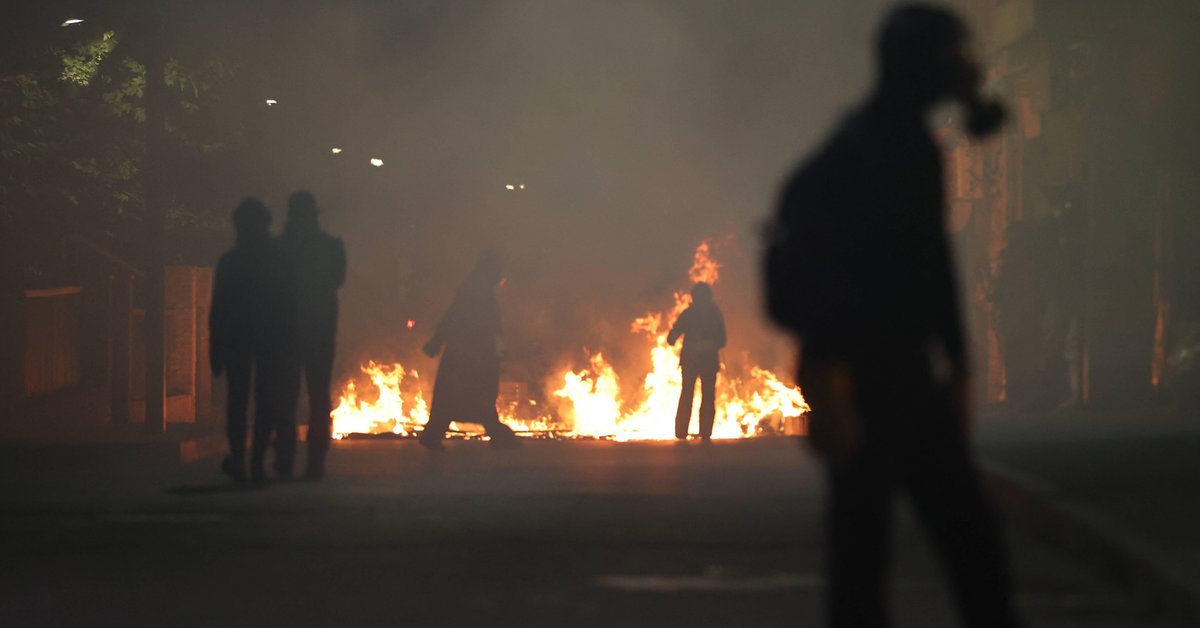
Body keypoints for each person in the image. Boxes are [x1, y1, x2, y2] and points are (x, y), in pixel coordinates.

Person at [765, 5, 1021, 627]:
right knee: (941, 550)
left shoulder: (899, 145)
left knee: (881, 550)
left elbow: (933, 272)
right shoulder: (876, 154)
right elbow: (907, 274)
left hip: (899, 376)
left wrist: (956, 366)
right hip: (875, 379)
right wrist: (831, 381)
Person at [209, 198, 298, 484]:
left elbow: (219, 308)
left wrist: (216, 345)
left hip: (240, 337)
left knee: (239, 401)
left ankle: (240, 459)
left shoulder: (231, 262)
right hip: (269, 339)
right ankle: (255, 461)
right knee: (264, 402)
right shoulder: (280, 259)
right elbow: (291, 305)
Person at [419, 251, 518, 450]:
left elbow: (451, 318)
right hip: (473, 357)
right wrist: (499, 350)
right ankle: (496, 433)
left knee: (454, 398)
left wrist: (437, 341)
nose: (500, 274)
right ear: (489, 270)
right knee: (475, 396)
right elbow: (491, 328)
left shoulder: (471, 291)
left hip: (465, 355)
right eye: (497, 269)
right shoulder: (478, 295)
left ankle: (434, 433)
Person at [279, 191, 346, 480]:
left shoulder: (280, 247)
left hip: (287, 330)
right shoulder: (331, 246)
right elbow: (337, 280)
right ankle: (315, 461)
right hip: (319, 330)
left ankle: (285, 458)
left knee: (286, 396)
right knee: (318, 396)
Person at [666, 282, 726, 441]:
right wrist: (709, 344)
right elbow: (722, 340)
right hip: (704, 362)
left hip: (694, 362)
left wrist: (697, 343)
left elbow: (671, 338)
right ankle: (704, 432)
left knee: (689, 395)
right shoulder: (713, 314)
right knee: (705, 396)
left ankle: (683, 432)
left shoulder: (689, 314)